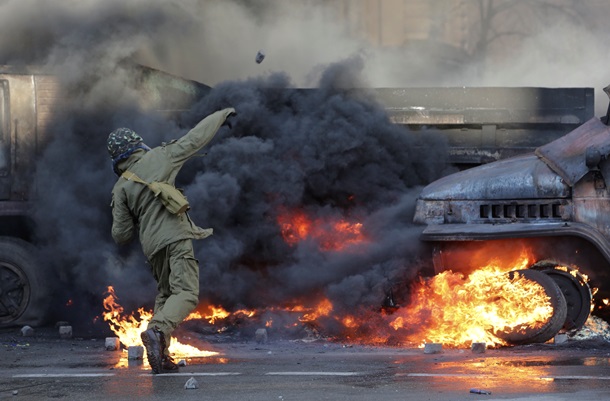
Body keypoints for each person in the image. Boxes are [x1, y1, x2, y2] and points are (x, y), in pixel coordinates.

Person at [108, 107, 236, 374]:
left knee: (167, 294)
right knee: (187, 293)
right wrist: (221, 115)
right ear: (137, 144)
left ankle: (162, 355)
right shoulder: (160, 157)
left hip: (153, 248)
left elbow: (121, 236)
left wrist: (137, 213)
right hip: (176, 238)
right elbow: (194, 139)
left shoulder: (120, 187)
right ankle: (156, 331)